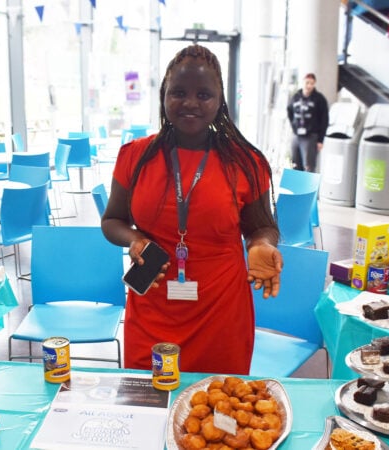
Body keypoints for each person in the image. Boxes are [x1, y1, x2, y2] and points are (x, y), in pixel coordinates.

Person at [100, 44, 283, 375]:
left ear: (220, 100)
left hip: (220, 311)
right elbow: (112, 220)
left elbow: (262, 226)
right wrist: (135, 239)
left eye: (204, 95)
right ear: (164, 95)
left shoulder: (246, 163)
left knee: (219, 413)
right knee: (150, 402)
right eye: (179, 92)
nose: (190, 103)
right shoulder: (135, 156)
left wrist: (260, 244)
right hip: (151, 305)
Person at [286, 73, 329, 173]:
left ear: (314, 84)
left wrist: (320, 140)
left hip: (310, 137)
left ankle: (308, 189)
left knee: (309, 167)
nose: (309, 85)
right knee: (295, 165)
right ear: (303, 82)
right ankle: (295, 188)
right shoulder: (296, 97)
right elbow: (289, 111)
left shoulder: (319, 99)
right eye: (307, 83)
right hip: (296, 136)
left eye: (312, 83)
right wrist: (294, 127)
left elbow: (324, 119)